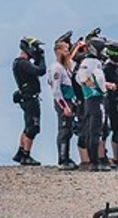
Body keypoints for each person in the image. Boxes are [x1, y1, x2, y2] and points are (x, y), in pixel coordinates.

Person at [73, 36, 112, 170]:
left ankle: (93, 161)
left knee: (91, 130)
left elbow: (78, 77)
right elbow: (96, 78)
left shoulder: (85, 61)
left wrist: (86, 83)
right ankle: (95, 162)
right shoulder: (94, 62)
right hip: (96, 99)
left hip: (88, 99)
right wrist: (101, 89)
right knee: (96, 131)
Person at [11, 36, 46, 166]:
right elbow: (40, 71)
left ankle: (20, 152)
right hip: (30, 99)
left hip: (26, 97)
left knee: (27, 125)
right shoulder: (23, 63)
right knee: (32, 127)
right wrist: (41, 58)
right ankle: (26, 155)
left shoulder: (18, 63)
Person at [46, 34, 78, 169]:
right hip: (63, 102)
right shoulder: (56, 68)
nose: (67, 53)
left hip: (70, 100)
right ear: (58, 51)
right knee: (64, 131)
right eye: (65, 50)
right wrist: (64, 106)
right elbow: (56, 89)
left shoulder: (65, 67)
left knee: (69, 131)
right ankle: (62, 159)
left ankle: (67, 157)